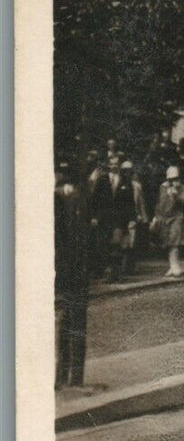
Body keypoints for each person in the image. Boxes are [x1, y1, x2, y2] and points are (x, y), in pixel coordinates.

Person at [55, 161, 91, 388]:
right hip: (75, 269)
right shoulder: (79, 198)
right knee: (75, 322)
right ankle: (73, 377)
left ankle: (63, 376)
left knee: (66, 321)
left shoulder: (60, 198)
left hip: (66, 270)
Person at [91, 152, 142, 282]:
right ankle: (108, 273)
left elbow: (130, 202)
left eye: (116, 164)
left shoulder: (125, 180)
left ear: (119, 165)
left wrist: (132, 219)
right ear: (108, 165)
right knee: (104, 245)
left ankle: (116, 274)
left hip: (119, 219)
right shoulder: (102, 180)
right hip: (104, 218)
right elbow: (95, 200)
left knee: (116, 244)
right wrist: (94, 217)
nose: (114, 166)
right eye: (112, 164)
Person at [151, 166, 184, 277]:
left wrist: (175, 194)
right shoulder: (162, 187)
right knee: (168, 242)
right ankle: (173, 266)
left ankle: (175, 266)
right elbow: (160, 204)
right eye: (171, 179)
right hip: (164, 217)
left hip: (176, 217)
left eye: (175, 178)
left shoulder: (182, 187)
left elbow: (183, 201)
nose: (173, 181)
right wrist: (156, 216)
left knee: (175, 240)